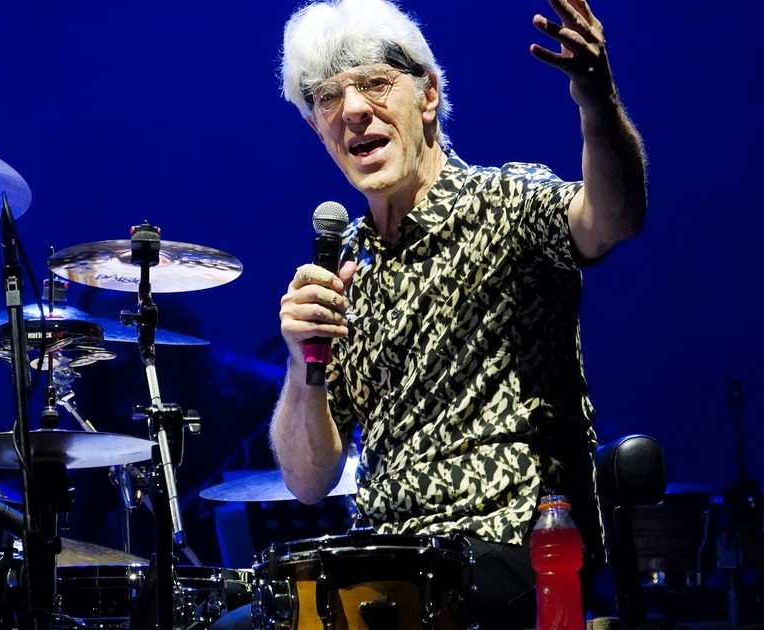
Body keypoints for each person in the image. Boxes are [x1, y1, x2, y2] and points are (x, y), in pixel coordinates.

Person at [267, 0, 647, 628]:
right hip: (388, 561)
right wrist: (301, 359)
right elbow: (309, 481)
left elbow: (613, 218)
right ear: (316, 129)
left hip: (514, 547)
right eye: (328, 98)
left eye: (375, 83)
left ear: (429, 95)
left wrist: (596, 102)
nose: (353, 109)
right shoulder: (345, 268)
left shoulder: (504, 202)